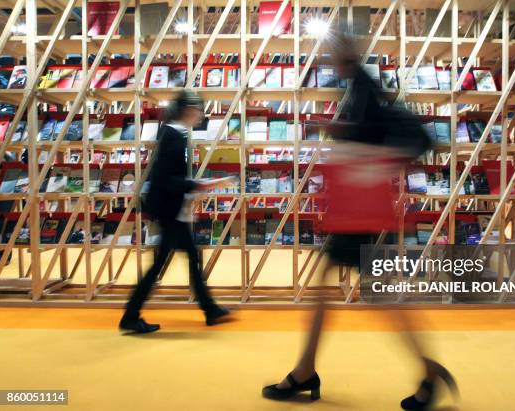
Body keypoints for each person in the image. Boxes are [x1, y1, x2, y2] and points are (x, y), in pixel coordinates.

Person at [261, 36, 456, 410]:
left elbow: (370, 140)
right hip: (356, 208)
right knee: (343, 290)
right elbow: (372, 137)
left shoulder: (362, 87)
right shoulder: (361, 86)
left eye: (332, 54)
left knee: (374, 294)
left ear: (343, 54)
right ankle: (306, 370)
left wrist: (340, 133)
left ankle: (428, 371)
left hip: (357, 209)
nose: (329, 60)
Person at [119, 91, 230, 334]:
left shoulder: (174, 133)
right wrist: (200, 185)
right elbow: (166, 178)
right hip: (170, 211)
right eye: (198, 109)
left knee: (186, 257)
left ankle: (209, 309)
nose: (200, 113)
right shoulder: (173, 135)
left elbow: (168, 177)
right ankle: (131, 315)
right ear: (187, 110)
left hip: (172, 210)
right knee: (161, 263)